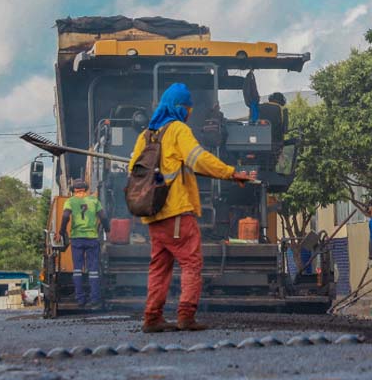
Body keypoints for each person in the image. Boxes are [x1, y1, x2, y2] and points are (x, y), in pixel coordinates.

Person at [131, 83, 253, 332]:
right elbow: (199, 159)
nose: (188, 112)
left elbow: (133, 170)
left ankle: (152, 317)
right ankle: (186, 315)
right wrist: (231, 173)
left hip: (154, 215)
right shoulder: (178, 130)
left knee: (159, 266)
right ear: (179, 108)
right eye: (187, 108)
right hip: (176, 213)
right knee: (191, 263)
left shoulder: (145, 136)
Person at [56, 179, 110, 309]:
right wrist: (107, 229)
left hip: (77, 239)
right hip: (92, 239)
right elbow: (103, 217)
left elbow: (65, 216)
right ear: (86, 190)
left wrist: (61, 232)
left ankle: (80, 299)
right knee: (93, 271)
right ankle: (95, 299)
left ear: (73, 190)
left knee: (77, 270)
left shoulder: (70, 201)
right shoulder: (94, 201)